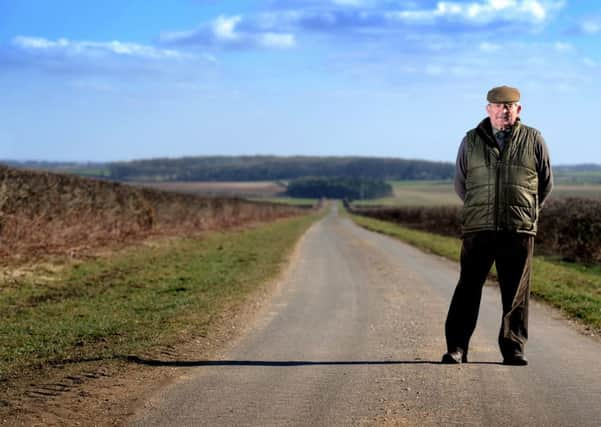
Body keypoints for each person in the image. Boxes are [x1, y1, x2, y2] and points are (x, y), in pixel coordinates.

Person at [442, 85, 553, 366]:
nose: (504, 110)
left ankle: (513, 349)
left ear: (518, 110)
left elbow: (545, 182)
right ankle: (457, 348)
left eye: (510, 106)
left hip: (518, 228)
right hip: (479, 228)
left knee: (516, 291)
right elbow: (461, 184)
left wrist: (527, 211)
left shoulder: (534, 139)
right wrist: (480, 209)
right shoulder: (470, 141)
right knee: (468, 287)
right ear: (488, 109)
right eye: (498, 105)